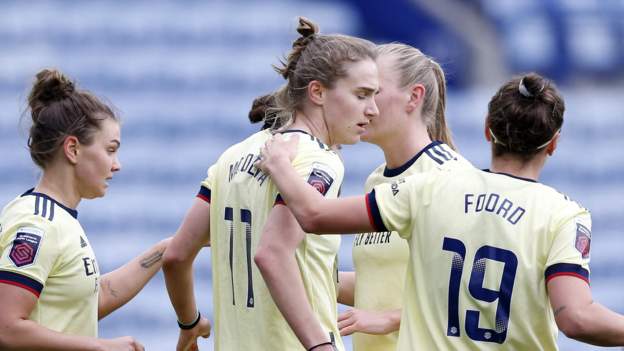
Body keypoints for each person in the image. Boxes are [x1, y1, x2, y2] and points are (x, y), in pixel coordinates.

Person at [258, 73, 624, 350]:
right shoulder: (563, 216)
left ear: (487, 130)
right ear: (554, 144)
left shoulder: (431, 188)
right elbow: (575, 318)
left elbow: (314, 215)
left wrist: (280, 166)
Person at [162, 17, 379, 351]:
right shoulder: (319, 160)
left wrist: (189, 323)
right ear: (318, 92)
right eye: (362, 95)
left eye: (374, 95)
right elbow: (273, 254)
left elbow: (176, 256)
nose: (373, 109)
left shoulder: (233, 156)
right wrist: (321, 346)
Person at [0, 68, 170, 350]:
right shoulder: (37, 223)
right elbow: (6, 327)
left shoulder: (58, 217)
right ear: (73, 149)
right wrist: (100, 347)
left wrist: (168, 249)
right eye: (111, 149)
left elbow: (88, 300)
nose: (117, 164)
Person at [335, 43, 472, 351]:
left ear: (414, 97)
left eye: (374, 92)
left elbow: (470, 295)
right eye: (360, 93)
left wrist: (391, 320)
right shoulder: (376, 180)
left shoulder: (450, 177)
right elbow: (379, 284)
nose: (364, 106)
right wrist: (307, 273)